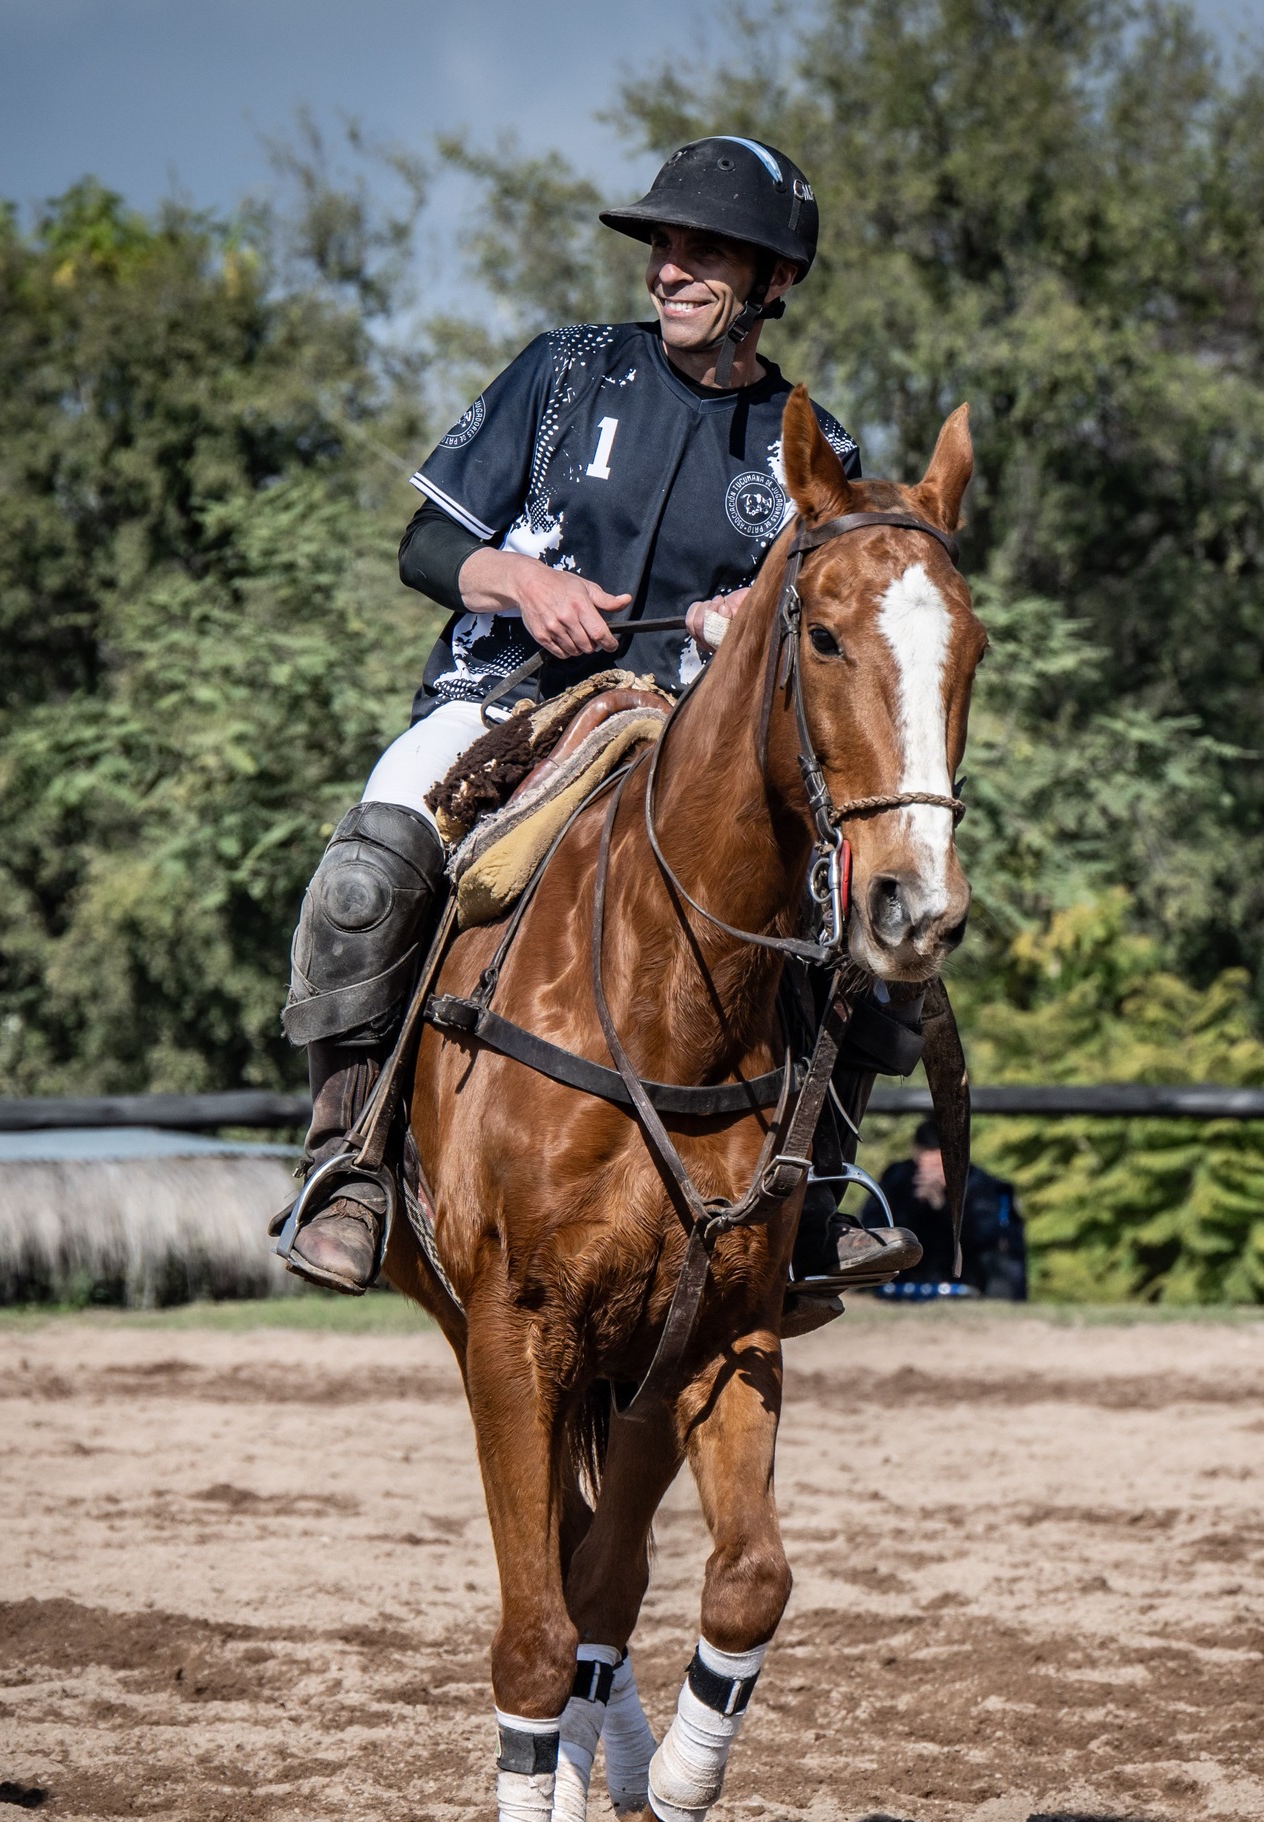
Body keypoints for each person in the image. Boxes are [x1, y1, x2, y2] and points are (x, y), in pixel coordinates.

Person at [276, 136, 926, 1302]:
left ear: (775, 279)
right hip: (506, 707)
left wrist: (751, 621)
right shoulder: (563, 371)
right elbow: (426, 545)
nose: (669, 269)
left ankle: (817, 1188)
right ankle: (349, 1162)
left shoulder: (814, 447)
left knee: (863, 923)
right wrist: (521, 582)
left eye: (704, 252)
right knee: (363, 876)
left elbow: (828, 625)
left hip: (692, 742)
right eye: (662, 245)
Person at [877, 1119, 1029, 1300]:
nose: (931, 1173)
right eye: (926, 1165)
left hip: (969, 1280)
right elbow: (878, 1229)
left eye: (938, 1165)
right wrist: (915, 1204)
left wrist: (943, 1207)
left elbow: (986, 1239)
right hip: (904, 1280)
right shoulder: (897, 1180)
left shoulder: (981, 1186)